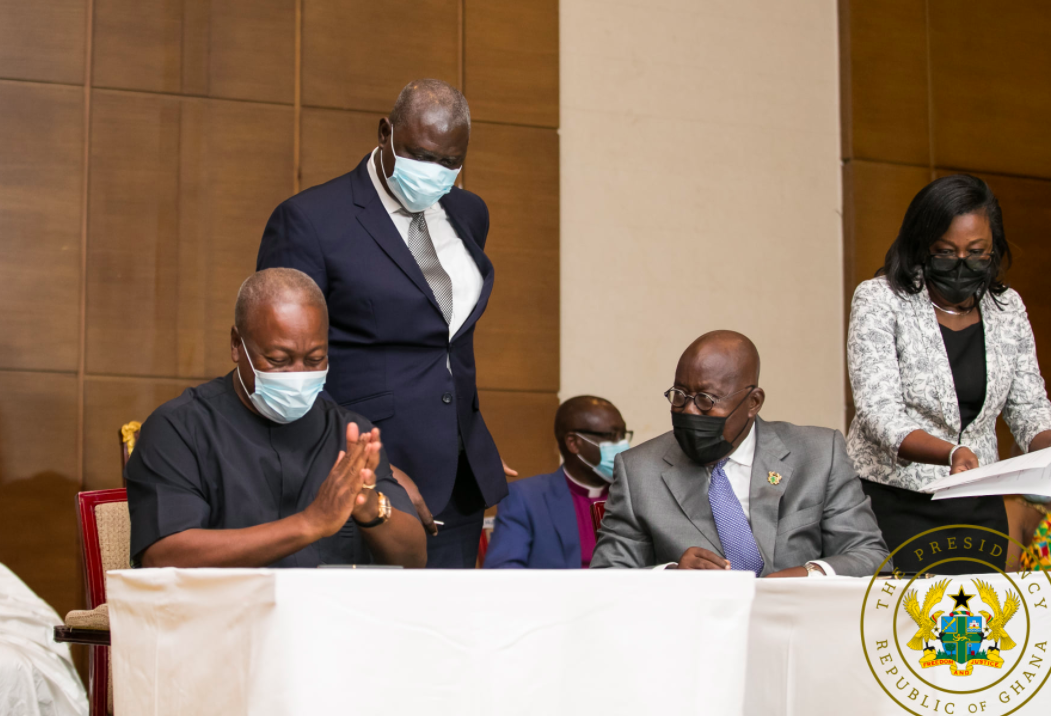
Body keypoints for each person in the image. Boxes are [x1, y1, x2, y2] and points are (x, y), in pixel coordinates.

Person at [257, 79, 512, 568]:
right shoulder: (309, 220)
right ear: (384, 133)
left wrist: (458, 432)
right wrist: (381, 469)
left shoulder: (468, 212)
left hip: (457, 483)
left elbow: (445, 340)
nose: (434, 172)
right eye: (419, 154)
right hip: (358, 480)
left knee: (445, 637)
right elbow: (287, 367)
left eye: (450, 162)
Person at [126, 269, 426, 569]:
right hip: (224, 613)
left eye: (314, 360)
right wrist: (310, 523)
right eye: (278, 361)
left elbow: (414, 562)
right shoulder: (178, 429)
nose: (298, 375)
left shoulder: (350, 433)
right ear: (236, 344)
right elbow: (163, 556)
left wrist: (370, 508)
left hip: (328, 613)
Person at [847, 174, 1051, 574]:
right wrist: (951, 452)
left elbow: (1029, 408)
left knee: (978, 632)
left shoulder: (1007, 308)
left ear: (994, 250)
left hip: (978, 503)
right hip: (895, 501)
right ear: (922, 246)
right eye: (946, 252)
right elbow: (878, 412)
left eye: (977, 253)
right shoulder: (880, 298)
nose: (962, 265)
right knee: (904, 631)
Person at [591, 331, 888, 576]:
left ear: (753, 402)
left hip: (797, 629)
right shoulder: (638, 470)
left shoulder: (820, 453)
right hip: (696, 634)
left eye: (706, 400)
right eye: (680, 395)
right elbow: (608, 573)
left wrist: (811, 573)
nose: (689, 411)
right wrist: (671, 575)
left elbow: (869, 554)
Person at [484, 396, 631, 569]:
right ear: (573, 443)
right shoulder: (527, 498)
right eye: (611, 436)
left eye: (623, 435)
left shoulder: (634, 495)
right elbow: (504, 571)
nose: (622, 444)